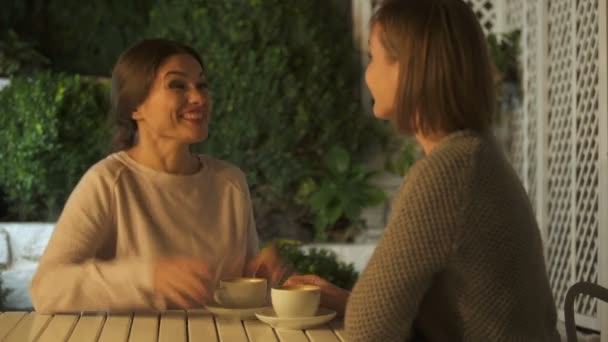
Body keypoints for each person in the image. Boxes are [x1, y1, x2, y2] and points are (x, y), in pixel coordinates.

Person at [285, 0, 560, 341]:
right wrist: (346, 301)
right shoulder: (475, 154)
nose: (368, 74)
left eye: (372, 57)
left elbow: (368, 331)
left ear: (408, 67)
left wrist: (356, 310)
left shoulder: (450, 172)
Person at [30, 39, 286, 313]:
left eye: (202, 85)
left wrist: (259, 276)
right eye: (178, 85)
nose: (199, 98)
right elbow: (46, 289)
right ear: (135, 107)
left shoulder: (230, 183)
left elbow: (241, 288)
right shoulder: (109, 182)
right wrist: (147, 278)